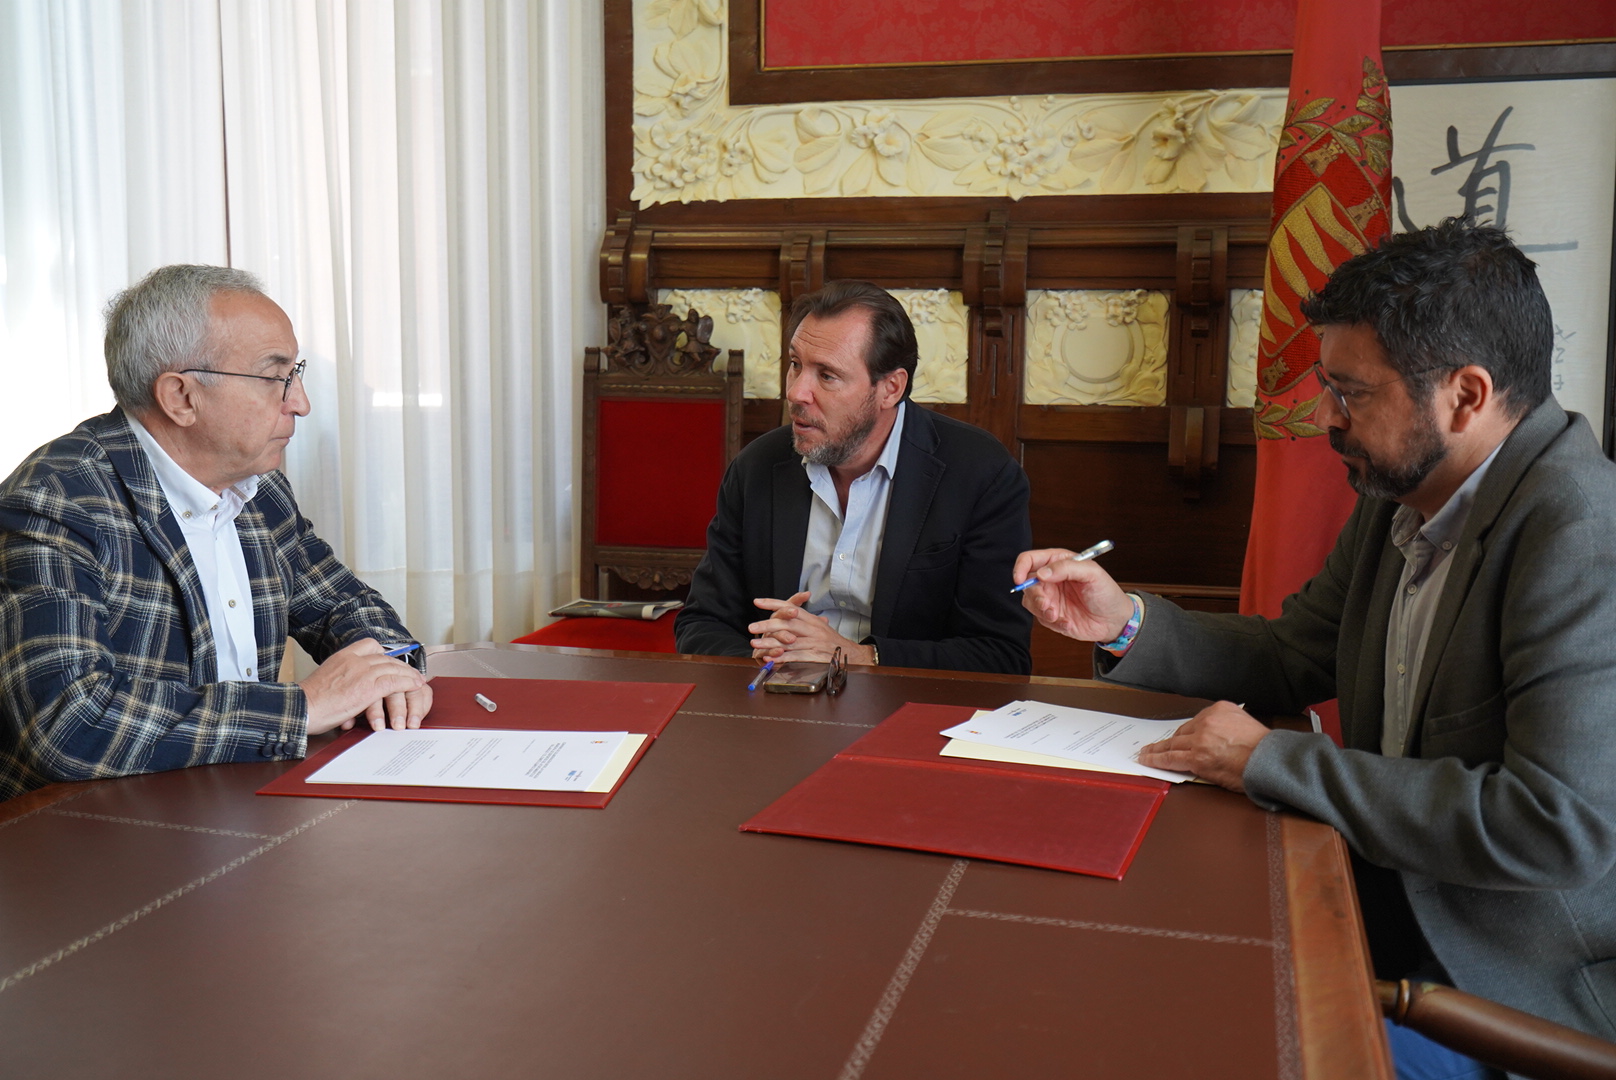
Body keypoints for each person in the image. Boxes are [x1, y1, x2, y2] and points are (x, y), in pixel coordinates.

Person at [1017, 219, 1616, 1070]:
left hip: (1509, 987)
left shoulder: (1581, 533)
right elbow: (1292, 653)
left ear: (1466, 395)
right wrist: (1125, 622)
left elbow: (1556, 827)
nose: (1327, 417)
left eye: (1352, 393)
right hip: (1373, 906)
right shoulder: (1404, 491)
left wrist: (1273, 761)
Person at [0, 265, 431, 801]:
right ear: (181, 397)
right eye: (276, 378)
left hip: (236, 803)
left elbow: (345, 606)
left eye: (295, 373)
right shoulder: (57, 499)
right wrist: (302, 709)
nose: (300, 402)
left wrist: (392, 675)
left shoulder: (256, 487)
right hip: (91, 828)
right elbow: (68, 723)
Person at [675, 280, 1033, 674]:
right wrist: (765, 659)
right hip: (781, 695)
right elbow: (701, 622)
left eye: (827, 375)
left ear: (890, 388)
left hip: (905, 702)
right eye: (795, 364)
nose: (796, 393)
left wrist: (858, 657)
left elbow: (1000, 656)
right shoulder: (757, 467)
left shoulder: (980, 473)